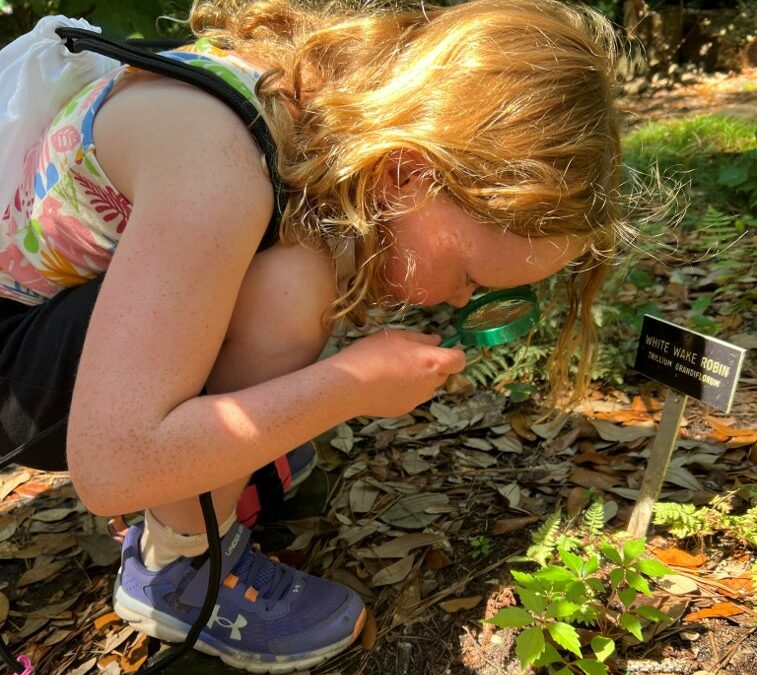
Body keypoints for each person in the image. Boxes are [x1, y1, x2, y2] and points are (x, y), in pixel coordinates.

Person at [0, 0, 627, 670]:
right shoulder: (217, 169)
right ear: (408, 172)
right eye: (469, 273)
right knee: (293, 285)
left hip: (63, 325)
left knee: (296, 269)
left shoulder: (305, 97)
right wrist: (346, 386)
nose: (459, 298)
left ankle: (212, 466)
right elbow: (112, 465)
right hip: (16, 375)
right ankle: (180, 565)